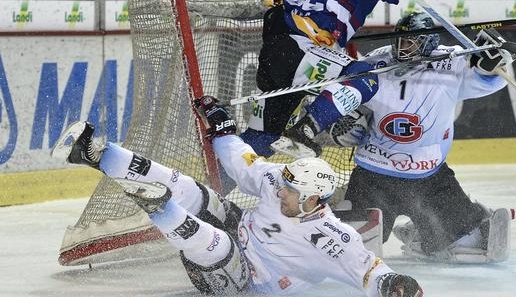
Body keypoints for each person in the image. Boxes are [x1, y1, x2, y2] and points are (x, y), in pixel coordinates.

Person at [53, 99, 424, 296]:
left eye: (292, 192)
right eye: (285, 183)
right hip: (238, 228)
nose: (282, 190)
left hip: (244, 280)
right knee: (192, 190)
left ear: (314, 202)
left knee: (215, 245)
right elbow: (243, 161)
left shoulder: (331, 238)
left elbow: (371, 271)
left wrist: (394, 285)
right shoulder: (281, 180)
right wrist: (224, 129)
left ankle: (159, 208)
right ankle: (98, 155)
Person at [284, 12, 513, 263]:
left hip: (429, 176)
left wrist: (492, 62)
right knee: (350, 247)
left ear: (427, 43)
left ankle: (427, 234)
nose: (401, 48)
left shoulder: (452, 61)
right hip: (375, 174)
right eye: (400, 41)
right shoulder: (376, 62)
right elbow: (347, 98)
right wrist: (345, 123)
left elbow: (493, 79)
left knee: (469, 245)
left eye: (410, 42)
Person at [238, 0, 424, 159]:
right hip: (300, 50)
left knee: (260, 140)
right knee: (364, 77)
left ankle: (215, 184)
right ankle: (303, 131)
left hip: (275, 53)